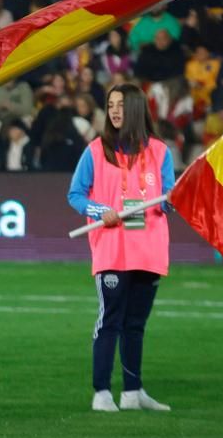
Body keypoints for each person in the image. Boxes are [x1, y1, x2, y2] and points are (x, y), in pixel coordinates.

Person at [66, 83, 173, 414]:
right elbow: (76, 195)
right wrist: (100, 211)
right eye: (111, 104)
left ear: (137, 109)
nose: (114, 111)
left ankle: (132, 391)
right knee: (109, 320)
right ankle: (101, 392)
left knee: (136, 324)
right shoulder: (96, 150)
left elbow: (169, 199)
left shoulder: (159, 151)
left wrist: (175, 199)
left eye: (121, 105)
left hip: (149, 248)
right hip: (112, 249)